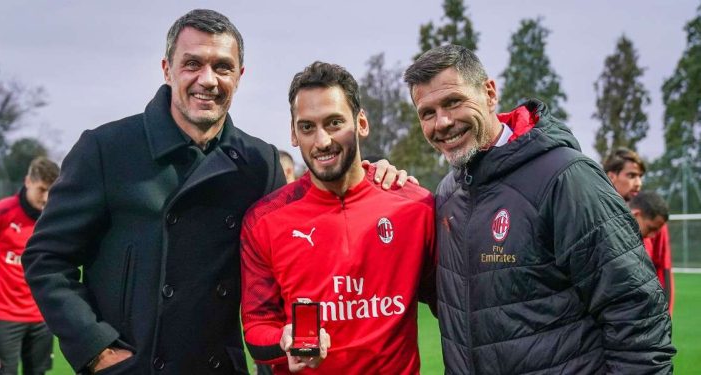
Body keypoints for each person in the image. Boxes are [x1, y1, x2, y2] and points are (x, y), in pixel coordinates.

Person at [22, 10, 408, 375]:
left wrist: (373, 176)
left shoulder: (260, 161)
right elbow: (46, 258)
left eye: (222, 67)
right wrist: (97, 350)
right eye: (192, 63)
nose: (208, 79)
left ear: (239, 76)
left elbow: (299, 239)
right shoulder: (106, 149)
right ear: (166, 70)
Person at [404, 44, 675, 374]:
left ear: (490, 93)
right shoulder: (449, 193)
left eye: (453, 102)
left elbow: (636, 312)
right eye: (427, 113)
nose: (442, 122)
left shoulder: (566, 177)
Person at [240, 62, 436, 374]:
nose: (322, 141)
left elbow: (458, 303)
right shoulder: (264, 221)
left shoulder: (416, 206)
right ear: (293, 133)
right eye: (307, 127)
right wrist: (284, 340)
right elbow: (257, 325)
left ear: (361, 123)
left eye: (334, 123)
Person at [0, 157, 60, 375]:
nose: (46, 198)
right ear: (28, 181)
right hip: (5, 315)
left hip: (42, 315)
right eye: (42, 190)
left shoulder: (55, 219)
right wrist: (4, 281)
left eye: (52, 191)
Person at [603, 147, 674, 314]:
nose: (638, 183)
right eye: (631, 175)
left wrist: (666, 315)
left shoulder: (653, 219)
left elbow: (664, 270)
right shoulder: (594, 216)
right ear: (611, 176)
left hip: (644, 315)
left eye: (640, 176)